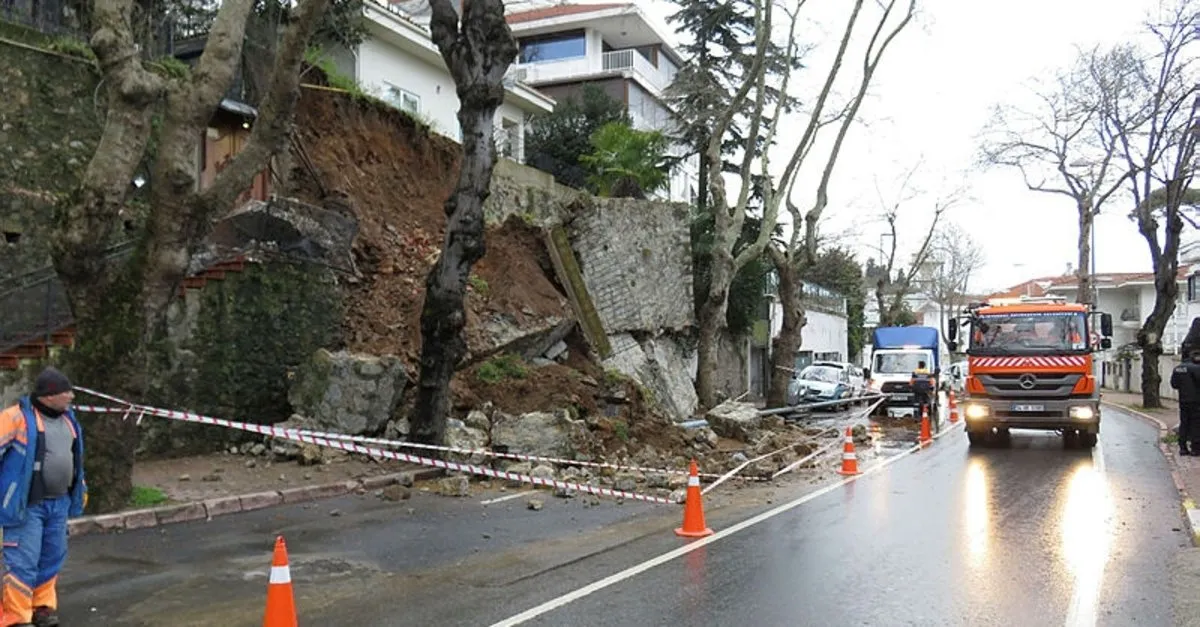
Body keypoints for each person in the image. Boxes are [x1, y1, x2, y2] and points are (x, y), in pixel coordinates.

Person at [0, 367, 87, 627]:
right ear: (49, 395)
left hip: (59, 503)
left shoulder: (69, 420)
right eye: (66, 392)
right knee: (23, 560)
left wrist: (79, 488)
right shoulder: (15, 418)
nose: (71, 396)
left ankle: (42, 608)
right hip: (26, 505)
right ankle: (16, 616)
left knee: (52, 556)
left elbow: (74, 457)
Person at [1171, 351, 1200, 456]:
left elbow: (1174, 385)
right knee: (1196, 423)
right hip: (1196, 401)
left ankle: (1182, 447)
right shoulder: (1196, 368)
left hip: (1183, 400)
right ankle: (1195, 448)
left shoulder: (1177, 368)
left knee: (1184, 423)